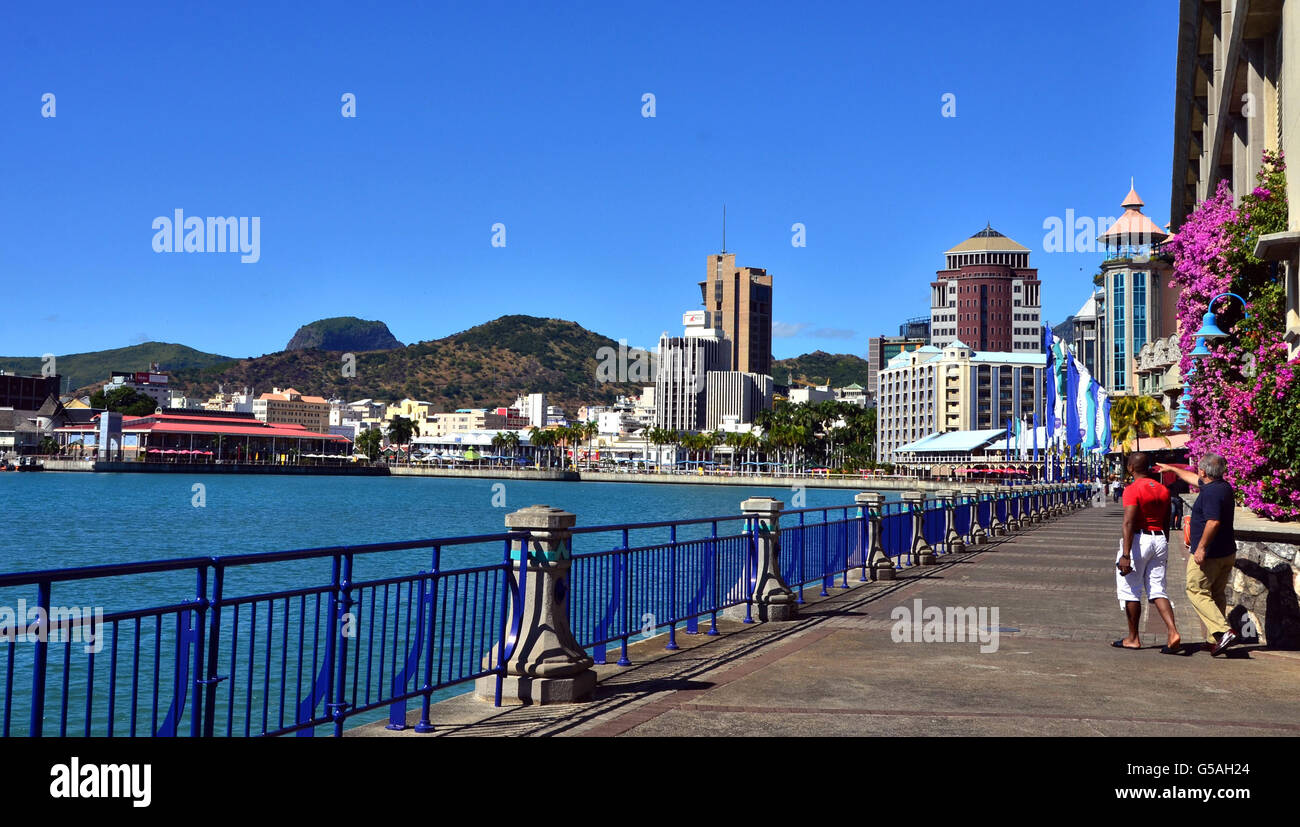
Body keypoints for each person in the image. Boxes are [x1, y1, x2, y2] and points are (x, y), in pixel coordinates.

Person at [1155, 454, 1238, 656]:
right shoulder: (1221, 486)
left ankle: (1223, 631)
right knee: (1216, 594)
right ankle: (1213, 638)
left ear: (1203, 471)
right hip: (1226, 552)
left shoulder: (1211, 494)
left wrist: (1200, 548)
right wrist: (1173, 470)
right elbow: (1193, 479)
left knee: (1195, 590)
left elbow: (1213, 522)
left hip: (1210, 554)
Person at [1113, 452, 1182, 653]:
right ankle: (1172, 631)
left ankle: (1133, 638)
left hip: (1140, 540)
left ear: (1130, 468)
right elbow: (1167, 520)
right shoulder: (1162, 489)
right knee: (1158, 589)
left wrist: (1126, 555)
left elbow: (1128, 522)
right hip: (1160, 538)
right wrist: (1165, 545)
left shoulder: (1132, 489)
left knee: (1131, 589)